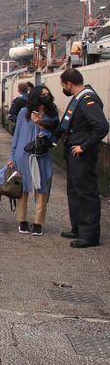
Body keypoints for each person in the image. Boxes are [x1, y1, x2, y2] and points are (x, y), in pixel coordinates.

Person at [57, 69, 109, 248]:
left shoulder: (88, 99)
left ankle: (90, 235)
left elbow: (101, 127)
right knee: (74, 190)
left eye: (63, 85)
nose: (63, 88)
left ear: (68, 83)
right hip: (73, 153)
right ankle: (78, 227)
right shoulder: (79, 98)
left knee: (86, 192)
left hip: (82, 154)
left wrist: (84, 146)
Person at [7, 86, 59, 236]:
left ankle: (38, 223)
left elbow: (54, 135)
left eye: (48, 94)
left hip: (42, 156)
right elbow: (16, 136)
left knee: (42, 189)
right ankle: (22, 221)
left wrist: (40, 123)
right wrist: (11, 156)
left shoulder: (52, 115)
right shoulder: (24, 113)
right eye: (43, 94)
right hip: (22, 156)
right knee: (22, 190)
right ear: (36, 97)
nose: (46, 96)